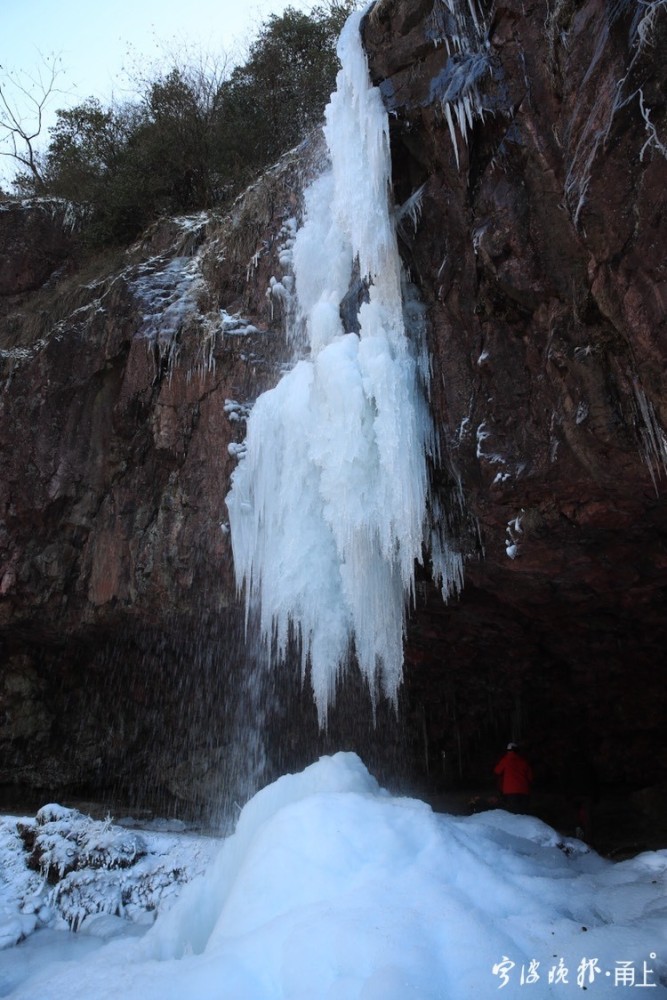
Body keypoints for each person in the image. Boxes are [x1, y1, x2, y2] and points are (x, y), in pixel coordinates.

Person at [494, 742, 533, 813]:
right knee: (524, 813)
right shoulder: (523, 761)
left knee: (513, 813)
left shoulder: (505, 760)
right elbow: (530, 777)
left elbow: (497, 771)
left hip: (510, 791)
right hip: (524, 791)